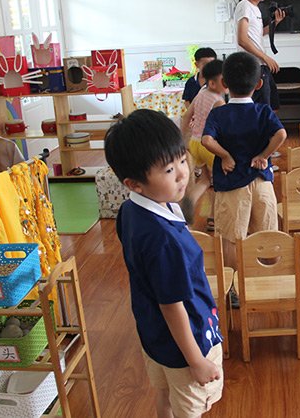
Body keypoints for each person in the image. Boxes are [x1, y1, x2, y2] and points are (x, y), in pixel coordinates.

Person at [104, 109, 223, 418]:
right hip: (186, 343)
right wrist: (196, 360)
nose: (183, 173)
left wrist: (200, 186)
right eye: (169, 170)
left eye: (182, 160)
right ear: (135, 183)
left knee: (165, 396)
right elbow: (173, 307)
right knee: (190, 406)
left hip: (153, 334)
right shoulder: (164, 240)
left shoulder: (132, 211)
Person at [201, 52, 287, 269]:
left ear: (224, 83)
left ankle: (233, 287)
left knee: (230, 238)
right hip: (261, 181)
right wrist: (263, 156)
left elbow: (206, 140)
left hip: (231, 184)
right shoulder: (263, 110)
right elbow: (281, 135)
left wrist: (225, 155)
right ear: (258, 84)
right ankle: (269, 277)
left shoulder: (219, 113)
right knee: (268, 234)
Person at [180, 59, 226, 231]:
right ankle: (213, 217)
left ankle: (189, 200)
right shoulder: (219, 102)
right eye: (224, 80)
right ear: (213, 82)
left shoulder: (201, 91)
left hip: (195, 143)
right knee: (218, 184)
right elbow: (223, 130)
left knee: (206, 180)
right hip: (209, 145)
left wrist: (182, 141)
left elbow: (186, 117)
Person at [235, 0, 286, 110]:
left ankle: (269, 129)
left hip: (260, 65)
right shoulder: (244, 6)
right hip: (253, 65)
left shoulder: (255, 8)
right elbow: (242, 40)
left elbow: (258, 34)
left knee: (271, 106)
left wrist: (275, 23)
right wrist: (266, 58)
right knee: (262, 109)